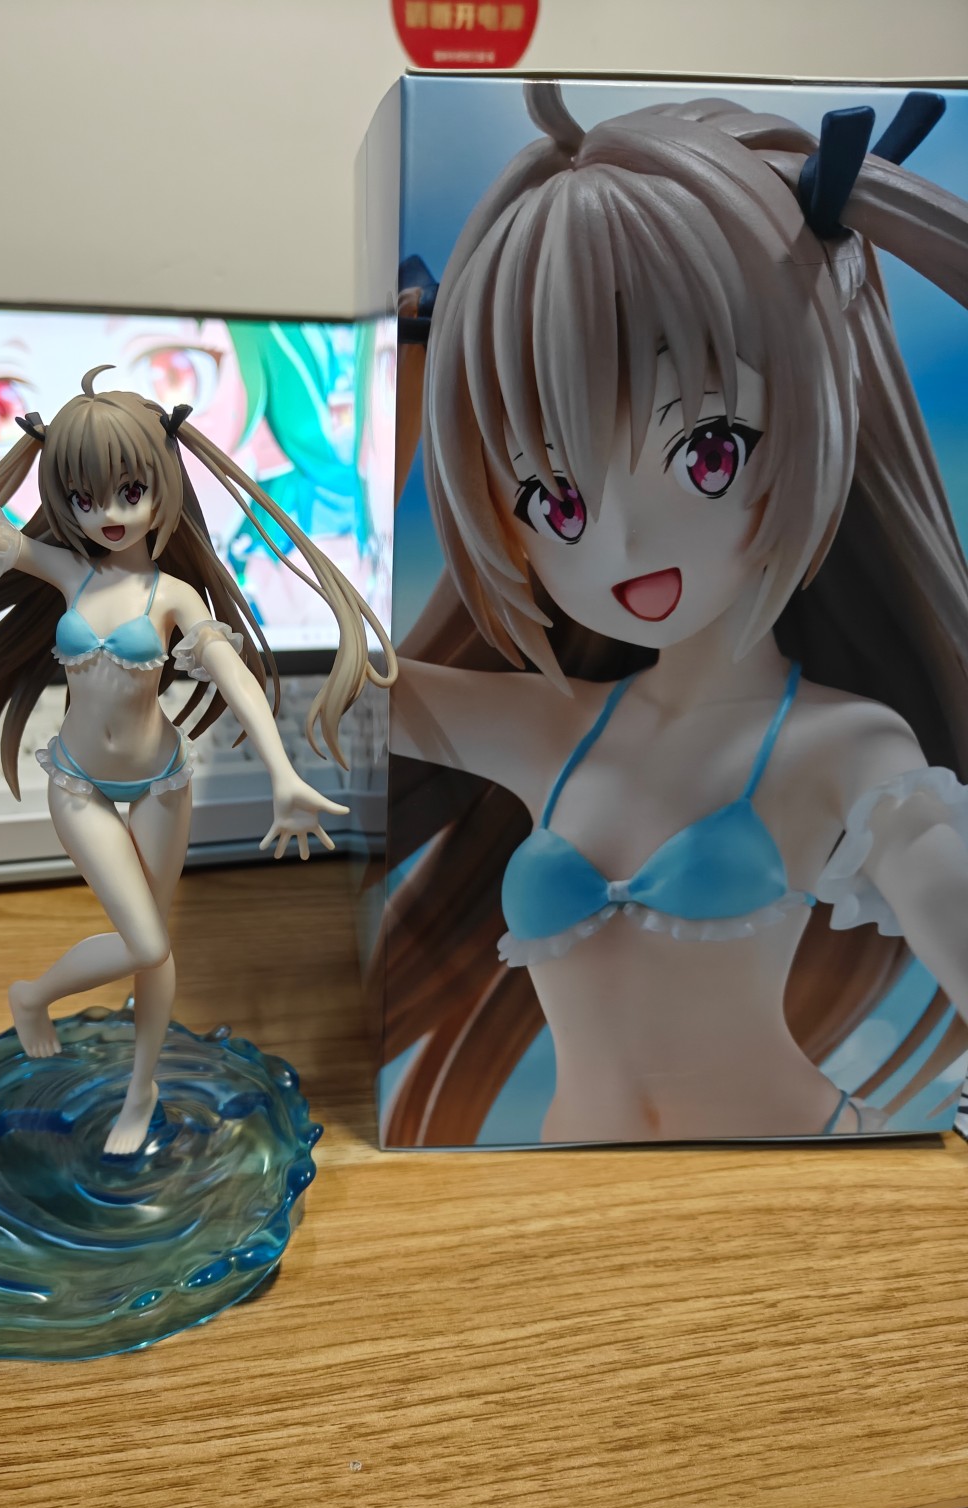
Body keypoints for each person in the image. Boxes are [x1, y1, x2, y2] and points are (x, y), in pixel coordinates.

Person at [380, 86, 968, 1145]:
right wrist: (411, 396)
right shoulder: (551, 727)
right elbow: (341, 675)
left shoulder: (846, 745)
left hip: (797, 1176)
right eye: (554, 501)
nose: (621, 543)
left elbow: (940, 890)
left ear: (814, 416)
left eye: (706, 453)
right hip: (579, 1182)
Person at [0, 366, 396, 1153]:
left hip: (161, 782)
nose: (108, 515)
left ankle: (141, 1091)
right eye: (84, 497)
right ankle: (32, 996)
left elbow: (231, 673)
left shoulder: (173, 596)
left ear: (162, 483)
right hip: (78, 784)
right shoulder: (67, 571)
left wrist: (282, 771)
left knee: (154, 950)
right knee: (145, 943)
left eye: (130, 491)